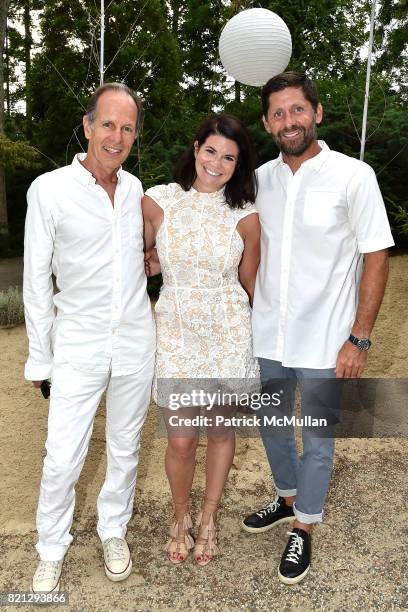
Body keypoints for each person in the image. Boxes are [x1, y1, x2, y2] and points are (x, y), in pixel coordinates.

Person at [243, 71, 394, 585]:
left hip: (328, 338)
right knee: (272, 425)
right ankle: (287, 499)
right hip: (268, 334)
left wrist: (360, 336)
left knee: (319, 437)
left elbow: (376, 256)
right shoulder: (259, 179)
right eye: (278, 113)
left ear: (317, 113)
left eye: (297, 110)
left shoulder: (354, 176)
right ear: (267, 122)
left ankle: (304, 528)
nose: (289, 121)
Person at [24, 82, 155, 592]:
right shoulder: (49, 190)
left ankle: (112, 529)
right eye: (108, 124)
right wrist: (41, 360)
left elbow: (144, 258)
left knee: (125, 447)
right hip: (76, 344)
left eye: (127, 128)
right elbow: (36, 281)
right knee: (63, 456)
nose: (116, 136)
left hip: (134, 343)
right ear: (87, 126)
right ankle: (51, 546)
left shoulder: (136, 190)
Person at [142, 114, 260, 565]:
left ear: (238, 165)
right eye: (211, 151)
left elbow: (252, 287)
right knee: (180, 440)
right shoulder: (158, 201)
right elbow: (129, 256)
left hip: (228, 330)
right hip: (176, 329)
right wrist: (149, 261)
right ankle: (179, 515)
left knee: (220, 431)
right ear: (195, 149)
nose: (217, 163)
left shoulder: (246, 217)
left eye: (229, 157)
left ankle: (208, 518)